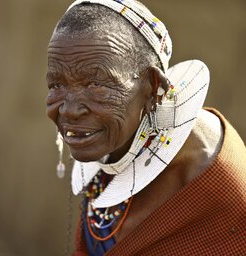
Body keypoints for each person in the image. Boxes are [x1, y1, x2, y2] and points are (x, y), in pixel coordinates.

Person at [46, 0, 246, 255]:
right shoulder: (115, 141)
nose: (69, 109)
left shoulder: (213, 188)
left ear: (153, 87)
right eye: (56, 86)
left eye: (96, 84)